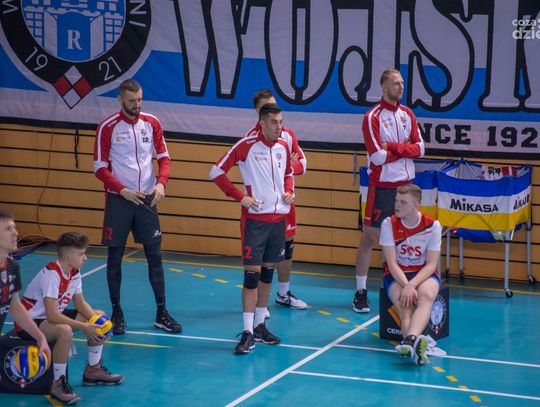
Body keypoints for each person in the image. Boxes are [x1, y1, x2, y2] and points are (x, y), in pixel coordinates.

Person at [93, 79, 181, 335]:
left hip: (146, 199)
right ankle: (117, 311)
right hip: (119, 199)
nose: (137, 105)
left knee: (155, 256)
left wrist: (161, 184)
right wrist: (122, 190)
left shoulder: (152, 123)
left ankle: (162, 312)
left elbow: (164, 157)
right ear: (120, 99)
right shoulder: (108, 127)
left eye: (140, 99)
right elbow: (99, 167)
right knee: (115, 258)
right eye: (132, 101)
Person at [210, 103, 294, 354]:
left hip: (278, 221)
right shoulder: (246, 145)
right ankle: (247, 332)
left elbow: (289, 173)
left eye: (281, 122)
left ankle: (259, 326)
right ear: (262, 123)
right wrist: (240, 197)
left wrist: (289, 192)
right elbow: (216, 172)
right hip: (255, 222)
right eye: (274, 122)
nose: (279, 127)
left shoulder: (283, 146)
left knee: (268, 274)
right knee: (251, 276)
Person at [17, 232, 124, 404]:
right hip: (29, 322)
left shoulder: (74, 271)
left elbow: (80, 303)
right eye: (81, 254)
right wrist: (85, 327)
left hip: (48, 317)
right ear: (67, 257)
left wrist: (98, 324)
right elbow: (52, 315)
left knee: (98, 315)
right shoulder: (52, 274)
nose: (85, 258)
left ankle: (93, 370)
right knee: (65, 331)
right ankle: (58, 383)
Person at [353, 68, 425, 313]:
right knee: (370, 238)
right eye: (396, 83)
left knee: (403, 240)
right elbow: (377, 156)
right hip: (382, 187)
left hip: (407, 186)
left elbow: (421, 149)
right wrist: (405, 149)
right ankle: (360, 292)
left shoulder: (408, 114)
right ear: (384, 87)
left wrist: (394, 147)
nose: (401, 87)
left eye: (402, 83)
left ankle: (398, 289)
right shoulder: (372, 116)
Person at [246, 89, 308, 312]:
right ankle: (259, 305)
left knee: (287, 247)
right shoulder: (250, 139)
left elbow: (303, 164)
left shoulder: (288, 135)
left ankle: (283, 294)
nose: (273, 111)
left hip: (285, 201)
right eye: (267, 107)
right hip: (261, 207)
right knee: (261, 255)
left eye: (275, 105)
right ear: (258, 112)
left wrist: (287, 166)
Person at [379, 185, 441, 365]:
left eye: (403, 202)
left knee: (426, 295)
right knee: (405, 305)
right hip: (397, 274)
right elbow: (391, 263)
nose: (397, 205)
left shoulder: (432, 225)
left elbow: (431, 264)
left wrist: (412, 285)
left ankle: (409, 341)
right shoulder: (388, 224)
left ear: (416, 204)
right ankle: (417, 346)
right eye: (396, 201)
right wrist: (406, 285)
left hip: (423, 273)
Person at [0, 209, 51, 359]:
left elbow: (14, 305)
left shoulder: (12, 266)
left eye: (14, 228)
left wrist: (39, 336)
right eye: (8, 229)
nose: (16, 233)